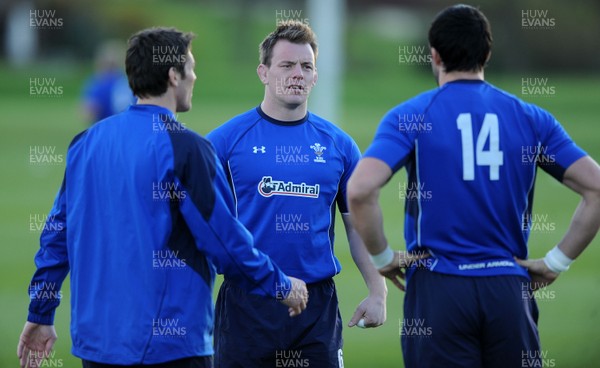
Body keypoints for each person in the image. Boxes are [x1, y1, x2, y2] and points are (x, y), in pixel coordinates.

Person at [17, 27, 308, 368]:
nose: (195, 76)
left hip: (97, 347)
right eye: (192, 67)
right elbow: (225, 242)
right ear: (173, 75)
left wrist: (40, 312)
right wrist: (280, 284)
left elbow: (56, 236)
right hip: (169, 347)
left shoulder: (86, 143)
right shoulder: (185, 148)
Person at [347, 4, 600, 368]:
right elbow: (595, 188)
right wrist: (556, 262)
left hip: (439, 288)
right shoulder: (531, 118)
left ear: (434, 55)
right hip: (508, 288)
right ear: (488, 53)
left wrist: (383, 258)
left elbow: (360, 190)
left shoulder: (412, 115)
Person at [207, 21, 387, 368]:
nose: (297, 74)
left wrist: (377, 292)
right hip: (247, 304)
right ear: (263, 72)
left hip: (316, 311)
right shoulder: (225, 142)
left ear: (315, 77)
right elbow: (198, 225)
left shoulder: (339, 146)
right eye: (286, 65)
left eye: (306, 67)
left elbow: (358, 226)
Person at [81, 40, 136, 124]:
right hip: (128, 129)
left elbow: (89, 113)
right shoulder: (130, 81)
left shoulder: (99, 83)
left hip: (107, 131)